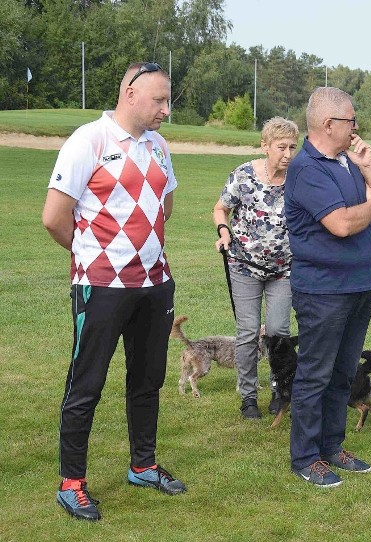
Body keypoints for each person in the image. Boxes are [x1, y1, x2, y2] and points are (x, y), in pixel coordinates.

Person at [42, 62, 186, 522]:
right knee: (86, 384)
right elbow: (54, 216)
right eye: (159, 100)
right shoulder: (89, 140)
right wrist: (93, 256)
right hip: (101, 286)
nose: (166, 109)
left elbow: (166, 205)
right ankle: (72, 483)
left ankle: (143, 465)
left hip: (154, 284)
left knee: (148, 381)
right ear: (129, 94)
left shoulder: (160, 146)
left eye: (168, 100)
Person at [284, 87, 371, 487]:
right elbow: (342, 225)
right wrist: (365, 208)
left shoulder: (349, 160)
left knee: (344, 372)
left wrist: (368, 168)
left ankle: (332, 447)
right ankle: (305, 458)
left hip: (358, 286)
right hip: (323, 291)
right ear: (329, 124)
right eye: (351, 119)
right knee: (315, 373)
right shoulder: (307, 168)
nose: (356, 126)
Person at [213, 117, 298, 420]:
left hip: (284, 269)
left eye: (292, 147)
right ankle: (248, 395)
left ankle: (279, 389)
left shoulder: (298, 178)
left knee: (278, 332)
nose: (287, 154)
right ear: (265, 146)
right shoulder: (244, 176)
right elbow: (221, 207)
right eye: (281, 147)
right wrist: (224, 232)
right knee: (248, 333)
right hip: (244, 265)